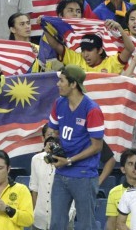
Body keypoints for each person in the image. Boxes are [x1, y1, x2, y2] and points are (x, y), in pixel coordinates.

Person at [47, 65, 105, 230]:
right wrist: (51, 143)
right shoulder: (58, 103)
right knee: (56, 224)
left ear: (73, 84)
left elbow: (97, 147)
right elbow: (53, 130)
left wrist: (69, 160)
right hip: (61, 173)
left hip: (84, 174)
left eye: (61, 80)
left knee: (86, 225)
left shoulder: (92, 109)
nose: (58, 84)